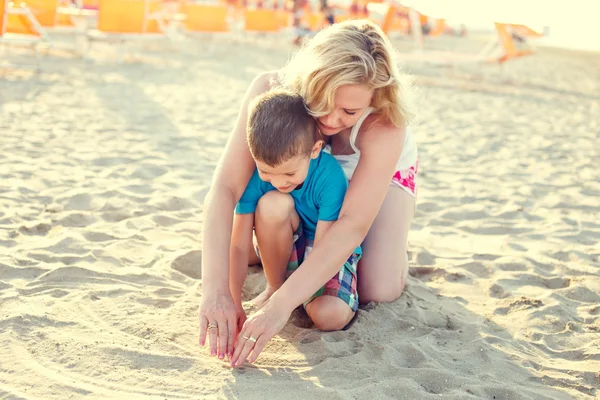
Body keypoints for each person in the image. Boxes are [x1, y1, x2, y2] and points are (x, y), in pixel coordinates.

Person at [198, 19, 418, 367]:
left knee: (378, 288)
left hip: (375, 182)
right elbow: (226, 188)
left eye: (349, 111)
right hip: (302, 178)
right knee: (255, 222)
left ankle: (393, 246)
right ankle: (287, 244)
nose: (331, 120)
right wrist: (215, 291)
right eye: (322, 101)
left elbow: (349, 225)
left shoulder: (386, 123)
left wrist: (279, 307)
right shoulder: (270, 90)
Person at [229, 88, 361, 335]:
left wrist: (293, 300)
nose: (278, 182)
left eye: (289, 173)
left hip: (325, 245)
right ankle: (274, 285)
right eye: (266, 172)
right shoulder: (259, 174)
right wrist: (233, 300)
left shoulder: (330, 177)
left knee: (328, 316)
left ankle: (296, 294)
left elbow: (325, 249)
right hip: (288, 239)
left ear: (314, 150)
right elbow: (238, 245)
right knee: (272, 203)